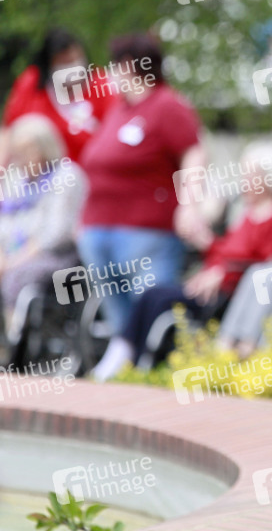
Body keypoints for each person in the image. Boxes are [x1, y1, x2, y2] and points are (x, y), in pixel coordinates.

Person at [91, 140, 272, 381]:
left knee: (159, 300)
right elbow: (227, 252)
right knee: (151, 295)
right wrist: (207, 243)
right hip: (210, 282)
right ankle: (124, 352)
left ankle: (137, 361)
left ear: (268, 178)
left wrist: (222, 273)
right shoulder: (248, 214)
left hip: (225, 295)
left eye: (250, 174)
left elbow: (265, 262)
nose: (244, 181)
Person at [77, 33, 201, 358]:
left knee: (150, 310)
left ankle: (150, 368)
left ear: (129, 65)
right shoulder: (119, 109)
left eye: (113, 65)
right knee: (120, 321)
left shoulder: (167, 105)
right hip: (100, 228)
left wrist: (189, 204)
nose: (109, 74)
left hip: (147, 232)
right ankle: (126, 365)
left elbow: (193, 154)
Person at [0, 114, 86, 334]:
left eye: (27, 151)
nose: (21, 159)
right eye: (18, 153)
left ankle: (15, 340)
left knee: (17, 277)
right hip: (13, 253)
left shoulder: (66, 176)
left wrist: (14, 261)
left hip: (58, 255)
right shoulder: (17, 181)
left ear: (45, 148)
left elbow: (57, 233)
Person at [2, 28, 118, 163]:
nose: (73, 68)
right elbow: (9, 129)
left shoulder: (101, 84)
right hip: (41, 169)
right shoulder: (32, 84)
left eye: (75, 60)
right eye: (65, 63)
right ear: (50, 64)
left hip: (91, 166)